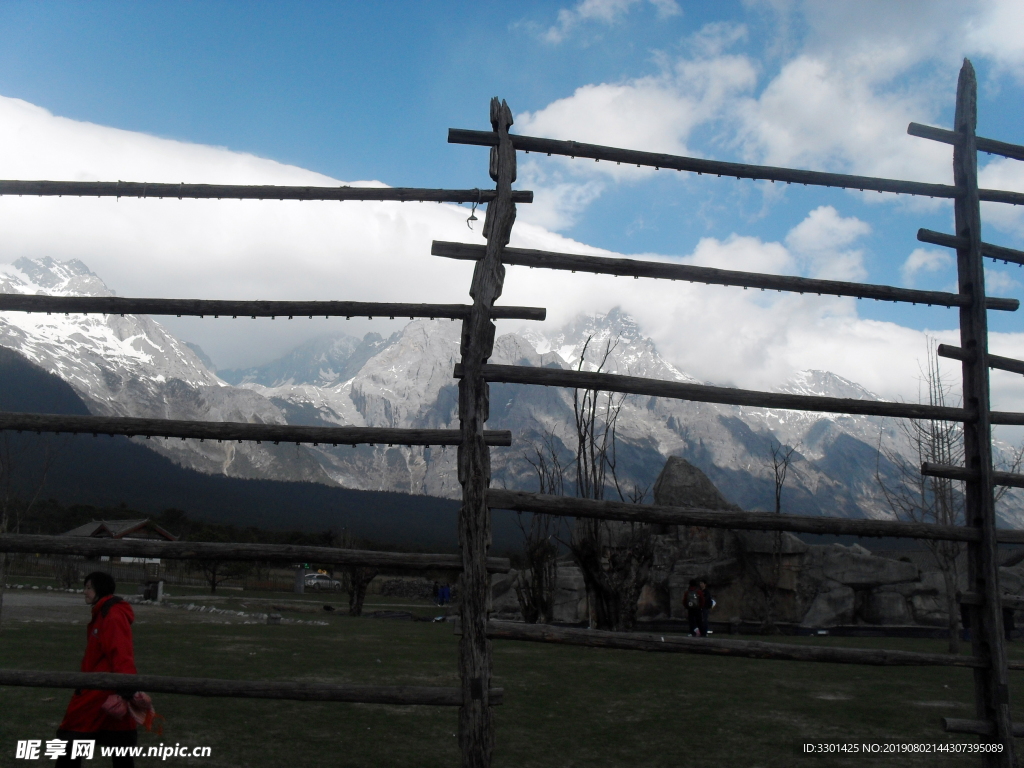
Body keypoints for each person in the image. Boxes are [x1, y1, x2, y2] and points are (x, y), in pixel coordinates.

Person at [55, 572, 139, 767]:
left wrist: (126, 685)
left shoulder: (112, 615)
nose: (84, 592)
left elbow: (121, 651)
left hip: (102, 691)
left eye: (88, 588)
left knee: (72, 740)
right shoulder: (102, 612)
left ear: (99, 590)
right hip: (100, 689)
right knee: (119, 744)